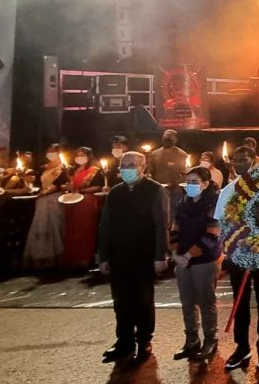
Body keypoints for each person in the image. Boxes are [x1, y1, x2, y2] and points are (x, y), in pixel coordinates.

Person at [98, 151, 169, 364]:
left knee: (143, 300)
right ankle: (124, 341)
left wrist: (160, 255)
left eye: (131, 165)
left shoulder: (155, 190)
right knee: (120, 301)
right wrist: (103, 255)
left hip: (144, 254)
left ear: (143, 167)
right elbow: (105, 225)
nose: (126, 169)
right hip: (119, 255)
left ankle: (144, 340)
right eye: (123, 165)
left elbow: (161, 225)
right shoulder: (115, 192)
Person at [217, 146, 259, 371]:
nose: (239, 163)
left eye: (244, 159)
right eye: (236, 160)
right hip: (238, 255)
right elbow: (221, 224)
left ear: (254, 161)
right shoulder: (228, 191)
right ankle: (242, 346)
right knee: (240, 301)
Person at [170, 165, 221, 362]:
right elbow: (175, 228)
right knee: (187, 301)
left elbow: (212, 235)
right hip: (183, 259)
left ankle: (210, 339)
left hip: (204, 260)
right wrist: (175, 252)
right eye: (188, 182)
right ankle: (191, 339)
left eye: (195, 182)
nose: (190, 186)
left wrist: (188, 255)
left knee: (206, 300)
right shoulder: (183, 203)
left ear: (206, 184)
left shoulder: (214, 204)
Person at [23, 144, 69, 270]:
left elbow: (60, 184)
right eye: (49, 152)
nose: (50, 154)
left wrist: (45, 192)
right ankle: (40, 256)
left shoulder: (62, 168)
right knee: (40, 225)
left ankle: (55, 256)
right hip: (42, 200)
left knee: (53, 226)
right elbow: (37, 182)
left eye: (53, 152)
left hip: (54, 199)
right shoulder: (45, 168)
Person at [60, 147, 104, 270]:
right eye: (78, 155)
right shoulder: (73, 171)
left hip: (87, 199)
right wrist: (68, 187)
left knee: (83, 227)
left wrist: (81, 190)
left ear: (89, 157)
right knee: (71, 228)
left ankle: (84, 258)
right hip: (73, 199)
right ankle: (72, 258)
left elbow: (98, 186)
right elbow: (70, 186)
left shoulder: (95, 170)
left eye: (82, 155)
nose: (80, 158)